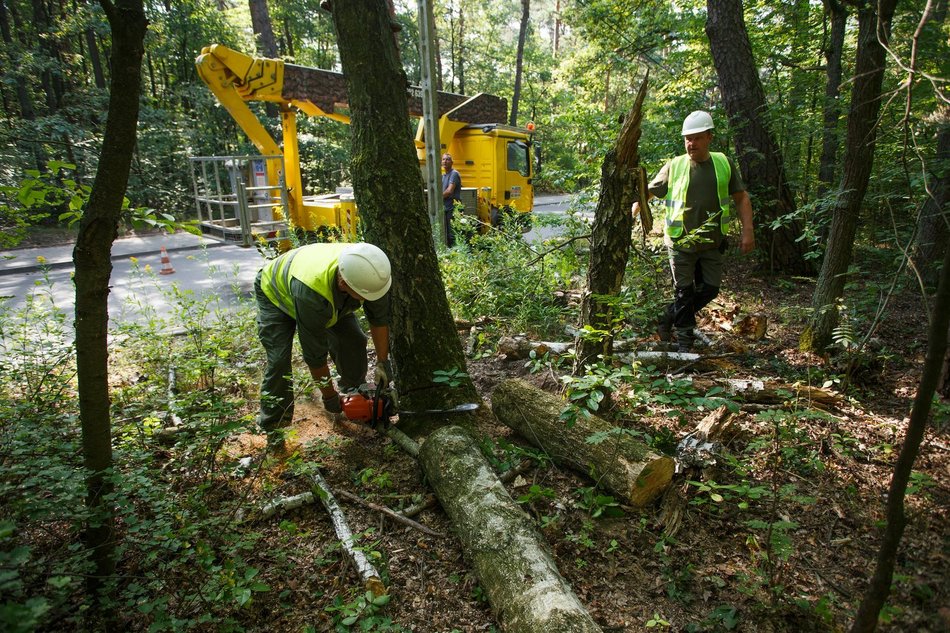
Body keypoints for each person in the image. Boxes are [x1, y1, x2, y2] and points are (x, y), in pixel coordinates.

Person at [632, 110, 755, 352]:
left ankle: (668, 317)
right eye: (688, 138)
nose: (692, 143)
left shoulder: (723, 163)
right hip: (680, 243)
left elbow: (741, 198)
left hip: (712, 242)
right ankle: (685, 346)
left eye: (697, 138)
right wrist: (633, 210)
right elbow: (647, 192)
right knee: (684, 292)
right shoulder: (675, 166)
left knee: (710, 289)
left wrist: (748, 231)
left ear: (709, 137)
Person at [255, 242, 394, 447]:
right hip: (276, 292)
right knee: (279, 361)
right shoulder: (314, 293)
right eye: (363, 296)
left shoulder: (369, 272)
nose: (367, 300)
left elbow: (379, 320)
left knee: (353, 339)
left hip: (321, 292)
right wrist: (329, 397)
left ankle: (354, 392)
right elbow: (315, 355)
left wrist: (383, 362)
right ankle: (274, 427)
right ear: (343, 284)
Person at [441, 153, 462, 247]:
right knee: (445, 233)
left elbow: (449, 191)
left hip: (453, 208)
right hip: (446, 208)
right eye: (443, 159)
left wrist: (436, 199)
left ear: (452, 162)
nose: (445, 161)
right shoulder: (443, 176)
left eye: (447, 159)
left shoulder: (454, 174)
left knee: (452, 233)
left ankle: (456, 253)